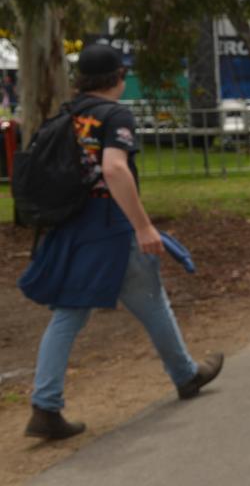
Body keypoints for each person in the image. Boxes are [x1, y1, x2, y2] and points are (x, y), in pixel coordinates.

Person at [18, 44, 222, 440]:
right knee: (151, 299)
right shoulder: (115, 115)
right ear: (117, 78)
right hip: (111, 227)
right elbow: (114, 168)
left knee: (69, 313)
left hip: (72, 227)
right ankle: (185, 374)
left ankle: (45, 405)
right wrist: (144, 227)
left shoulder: (68, 114)